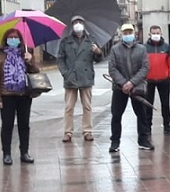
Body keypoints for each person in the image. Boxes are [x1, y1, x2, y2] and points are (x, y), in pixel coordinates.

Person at [0, 28, 39, 165]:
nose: (13, 40)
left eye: (15, 37)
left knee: (24, 125)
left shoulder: (26, 54)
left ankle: (24, 152)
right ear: (5, 40)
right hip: (7, 96)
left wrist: (30, 61)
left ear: (20, 39)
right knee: (7, 125)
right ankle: (6, 153)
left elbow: (35, 72)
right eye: (10, 37)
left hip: (24, 95)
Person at [56, 15, 103, 143]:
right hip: (70, 78)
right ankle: (68, 132)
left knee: (87, 106)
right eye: (75, 22)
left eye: (80, 22)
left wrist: (98, 52)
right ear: (72, 25)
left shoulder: (91, 40)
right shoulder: (65, 41)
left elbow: (98, 59)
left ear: (83, 24)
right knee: (69, 107)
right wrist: (65, 73)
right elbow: (60, 59)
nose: (78, 24)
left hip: (86, 77)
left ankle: (87, 131)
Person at [107, 23, 151, 154]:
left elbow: (145, 68)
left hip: (137, 87)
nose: (128, 35)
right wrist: (123, 83)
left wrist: (131, 83)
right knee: (116, 115)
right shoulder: (115, 49)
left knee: (141, 114)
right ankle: (115, 142)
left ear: (134, 33)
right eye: (125, 33)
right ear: (122, 34)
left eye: (130, 32)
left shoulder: (142, 49)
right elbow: (112, 69)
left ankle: (143, 140)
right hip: (119, 88)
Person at [143, 25, 170, 143]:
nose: (156, 35)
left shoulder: (167, 47)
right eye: (153, 33)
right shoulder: (144, 48)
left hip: (164, 80)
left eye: (157, 33)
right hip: (149, 80)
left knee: (165, 103)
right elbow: (141, 63)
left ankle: (167, 125)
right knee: (148, 104)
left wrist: (169, 75)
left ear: (161, 33)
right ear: (149, 34)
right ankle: (147, 127)